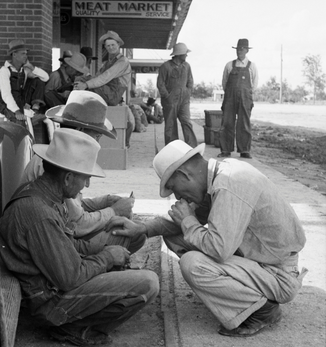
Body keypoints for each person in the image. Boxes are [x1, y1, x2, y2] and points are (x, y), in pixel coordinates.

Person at [107, 140, 308, 337]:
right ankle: (233, 294)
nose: (177, 197)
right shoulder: (219, 176)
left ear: (184, 174)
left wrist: (188, 220)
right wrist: (141, 228)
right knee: (176, 234)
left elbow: (218, 250)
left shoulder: (230, 184)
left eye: (174, 188)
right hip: (260, 261)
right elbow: (181, 222)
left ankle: (262, 309)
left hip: (279, 274)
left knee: (193, 264)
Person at [0, 128, 159, 345]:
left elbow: (69, 246)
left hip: (55, 283)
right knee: (148, 283)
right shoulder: (39, 212)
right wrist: (107, 258)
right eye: (85, 178)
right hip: (50, 303)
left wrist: (103, 251)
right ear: (68, 178)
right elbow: (70, 278)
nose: (88, 185)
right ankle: (73, 328)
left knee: (128, 235)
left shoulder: (45, 196)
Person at [22, 91, 144, 253]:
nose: (97, 143)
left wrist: (104, 202)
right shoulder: (59, 163)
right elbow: (77, 223)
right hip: (54, 242)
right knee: (132, 235)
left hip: (57, 234)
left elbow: (72, 207)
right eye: (97, 136)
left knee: (124, 225)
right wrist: (114, 211)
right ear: (81, 130)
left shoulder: (59, 154)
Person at [218, 39, 259, 159]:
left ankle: (244, 150)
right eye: (237, 49)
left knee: (244, 124)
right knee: (227, 123)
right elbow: (224, 83)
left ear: (247, 50)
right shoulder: (229, 65)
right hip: (230, 98)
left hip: (245, 98)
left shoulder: (252, 66)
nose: (239, 51)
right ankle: (225, 150)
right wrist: (231, 93)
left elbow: (254, 85)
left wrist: (245, 94)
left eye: (242, 49)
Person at [0, 39, 49, 126]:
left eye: (26, 53)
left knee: (39, 81)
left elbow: (45, 77)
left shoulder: (25, 70)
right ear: (14, 54)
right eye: (23, 53)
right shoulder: (4, 71)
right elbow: (6, 95)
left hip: (20, 100)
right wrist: (17, 111)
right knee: (19, 123)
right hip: (5, 104)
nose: (26, 56)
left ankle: (35, 111)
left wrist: (31, 66)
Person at [74, 31, 131, 106]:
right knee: (80, 79)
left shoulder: (123, 61)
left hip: (113, 95)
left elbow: (105, 77)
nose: (110, 48)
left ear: (118, 44)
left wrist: (86, 85)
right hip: (106, 91)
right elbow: (97, 76)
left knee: (86, 85)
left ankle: (75, 104)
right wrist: (83, 80)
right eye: (108, 46)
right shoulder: (108, 63)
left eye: (113, 45)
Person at [157, 43, 197, 146]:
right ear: (179, 54)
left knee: (186, 122)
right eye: (185, 54)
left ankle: (192, 147)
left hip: (184, 100)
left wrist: (188, 93)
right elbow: (160, 84)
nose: (186, 56)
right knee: (171, 125)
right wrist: (167, 96)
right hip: (170, 100)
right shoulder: (165, 66)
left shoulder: (187, 66)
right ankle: (172, 148)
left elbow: (190, 81)